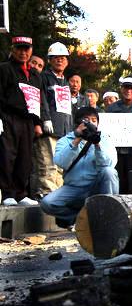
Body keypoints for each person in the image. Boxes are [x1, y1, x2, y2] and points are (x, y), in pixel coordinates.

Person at [40, 107, 118, 229]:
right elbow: (61, 162)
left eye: (93, 120)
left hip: (96, 187)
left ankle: (107, 215)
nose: (90, 123)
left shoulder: (105, 140)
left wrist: (97, 144)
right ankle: (81, 218)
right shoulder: (65, 140)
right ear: (78, 123)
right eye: (86, 120)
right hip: (74, 188)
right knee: (47, 203)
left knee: (109, 172)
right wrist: (77, 140)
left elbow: (108, 165)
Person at [0, 36, 43, 205]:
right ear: (12, 49)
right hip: (8, 117)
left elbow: (38, 100)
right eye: (19, 48)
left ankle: (21, 193)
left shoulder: (34, 75)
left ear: (31, 51)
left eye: (26, 49)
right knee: (7, 155)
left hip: (28, 121)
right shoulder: (4, 69)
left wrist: (38, 122)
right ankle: (8, 193)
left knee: (25, 157)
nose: (23, 52)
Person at [33, 42, 72, 201]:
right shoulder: (43, 77)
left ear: (67, 61)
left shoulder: (65, 81)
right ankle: (47, 195)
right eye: (56, 58)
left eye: (63, 58)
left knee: (60, 167)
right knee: (47, 164)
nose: (60, 61)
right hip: (49, 128)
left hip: (64, 129)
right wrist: (45, 119)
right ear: (49, 60)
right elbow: (41, 99)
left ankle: (58, 195)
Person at [106, 75, 132, 194]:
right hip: (116, 152)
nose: (128, 91)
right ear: (121, 89)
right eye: (126, 87)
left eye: (131, 88)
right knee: (119, 181)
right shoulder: (112, 108)